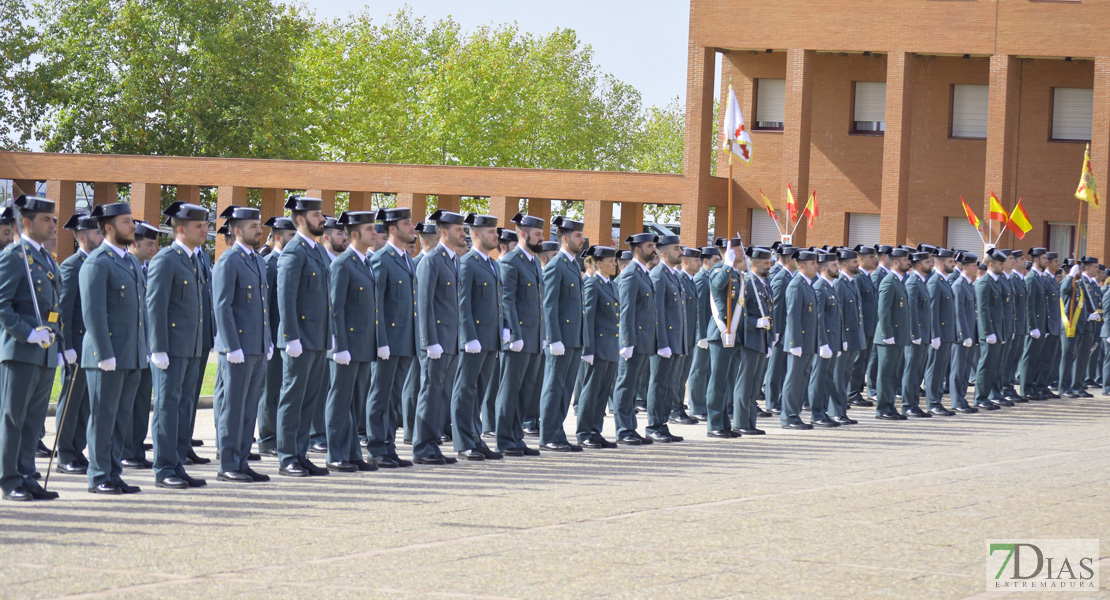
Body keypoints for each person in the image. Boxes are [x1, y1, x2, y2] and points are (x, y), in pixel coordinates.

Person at [82, 201, 147, 494]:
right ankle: (98, 475)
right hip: (106, 356)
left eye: (132, 221)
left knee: (122, 418)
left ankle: (114, 472)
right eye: (126, 222)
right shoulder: (98, 262)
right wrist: (103, 353)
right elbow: (94, 313)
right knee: (104, 416)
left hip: (131, 354)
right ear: (108, 228)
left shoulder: (131, 261)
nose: (133, 226)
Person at [0, 195, 62, 501]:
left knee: (35, 420)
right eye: (46, 220)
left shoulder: (47, 258)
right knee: (14, 418)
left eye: (53, 219)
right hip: (21, 351)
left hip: (46, 351)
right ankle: (9, 478)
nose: (53, 225)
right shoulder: (14, 256)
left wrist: (56, 340)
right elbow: (2, 304)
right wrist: (27, 334)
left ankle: (26, 474)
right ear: (26, 222)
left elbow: (54, 307)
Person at [147, 201, 211, 490]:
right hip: (171, 349)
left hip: (191, 347)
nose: (205, 230)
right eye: (199, 225)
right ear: (181, 229)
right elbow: (155, 307)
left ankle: (177, 463)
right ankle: (163, 468)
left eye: (205, 224)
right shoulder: (166, 259)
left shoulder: (196, 259)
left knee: (183, 407)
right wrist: (157, 347)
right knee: (166, 408)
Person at [211, 205, 273, 482]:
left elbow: (262, 307)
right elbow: (222, 306)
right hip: (237, 348)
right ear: (236, 231)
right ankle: (228, 464)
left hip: (257, 346)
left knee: (249, 409)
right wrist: (230, 345)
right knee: (233, 409)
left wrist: (267, 340)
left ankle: (243, 461)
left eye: (259, 225)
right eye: (253, 226)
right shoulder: (229, 260)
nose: (259, 230)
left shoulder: (258, 260)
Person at [275, 195, 331, 477]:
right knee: (292, 398)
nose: (322, 219)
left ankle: (301, 452)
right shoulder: (293, 251)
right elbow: (285, 297)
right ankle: (287, 457)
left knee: (310, 399)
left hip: (318, 338)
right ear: (300, 219)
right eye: (316, 215)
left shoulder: (319, 251)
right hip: (299, 339)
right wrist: (290, 336)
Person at [320, 210, 381, 473]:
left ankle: (353, 453)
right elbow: (336, 309)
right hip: (347, 345)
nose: (374, 233)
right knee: (339, 400)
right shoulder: (342, 264)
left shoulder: (364, 262)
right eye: (369, 230)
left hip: (364, 344)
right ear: (354, 234)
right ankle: (336, 453)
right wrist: (339, 346)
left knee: (356, 402)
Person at [412, 210, 466, 466]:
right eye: (458, 229)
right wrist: (428, 341)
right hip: (436, 342)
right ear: (443, 232)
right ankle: (422, 446)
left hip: (451, 340)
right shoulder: (432, 260)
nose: (463, 233)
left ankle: (433, 442)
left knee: (442, 394)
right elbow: (424, 305)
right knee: (430, 392)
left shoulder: (453, 260)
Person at [365, 207, 416, 469]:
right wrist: (381, 340)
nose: (412, 228)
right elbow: (377, 306)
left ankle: (389, 446)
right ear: (392, 229)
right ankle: (376, 448)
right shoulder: (381, 259)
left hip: (405, 340)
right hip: (388, 342)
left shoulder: (407, 260)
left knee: (393, 398)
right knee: (380, 396)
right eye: (406, 224)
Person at [451, 213, 504, 460]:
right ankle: (463, 442)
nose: (496, 235)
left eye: (495, 231)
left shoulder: (492, 264)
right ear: (475, 234)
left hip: (489, 339)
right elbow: (462, 304)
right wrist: (468, 336)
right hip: (473, 340)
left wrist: (503, 329)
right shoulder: (467, 263)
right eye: (491, 231)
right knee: (465, 390)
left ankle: (475, 437)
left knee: (479, 392)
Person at [53, 212, 102, 475]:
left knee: (86, 402)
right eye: (97, 233)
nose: (102, 236)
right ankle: (65, 453)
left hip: (92, 346)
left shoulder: (98, 263)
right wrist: (67, 346)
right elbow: (63, 311)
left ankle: (77, 449)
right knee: (71, 401)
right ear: (82, 237)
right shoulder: (72, 266)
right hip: (76, 346)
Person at [495, 212, 545, 457]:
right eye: (537, 234)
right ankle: (504, 439)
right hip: (519, 337)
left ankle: (517, 437)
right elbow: (507, 300)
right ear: (523, 234)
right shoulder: (511, 261)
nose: (541, 238)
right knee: (510, 389)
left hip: (534, 336)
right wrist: (514, 332)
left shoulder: (534, 261)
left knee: (526, 390)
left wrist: (542, 334)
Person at [538, 216, 588, 451]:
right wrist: (553, 338)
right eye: (578, 236)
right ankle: (548, 435)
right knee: (553, 387)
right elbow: (549, 305)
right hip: (561, 339)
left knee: (565, 389)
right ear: (565, 238)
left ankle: (558, 432)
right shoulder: (556, 265)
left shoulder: (572, 265)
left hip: (574, 338)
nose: (582, 239)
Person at [612, 233, 659, 445]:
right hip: (634, 340)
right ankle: (623, 429)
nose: (653, 249)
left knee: (632, 385)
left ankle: (631, 427)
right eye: (649, 246)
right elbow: (626, 310)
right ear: (637, 249)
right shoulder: (631, 274)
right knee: (625, 385)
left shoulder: (643, 272)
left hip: (643, 340)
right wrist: (626, 341)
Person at [121, 221, 160, 469]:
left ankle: (136, 447)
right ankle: (125, 449)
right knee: (128, 402)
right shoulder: (128, 265)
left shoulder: (144, 267)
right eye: (149, 244)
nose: (153, 248)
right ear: (134, 243)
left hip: (146, 345)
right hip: (130, 345)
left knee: (142, 400)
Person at [257, 217, 296, 457]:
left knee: (285, 389)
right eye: (291, 237)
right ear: (278, 237)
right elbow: (266, 307)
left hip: (289, 337)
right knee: (270, 390)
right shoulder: (269, 264)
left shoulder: (292, 261)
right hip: (273, 336)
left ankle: (282, 436)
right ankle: (268, 438)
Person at [576, 245, 620, 448]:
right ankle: (584, 432)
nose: (614, 264)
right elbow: (588, 317)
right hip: (598, 347)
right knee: (591, 391)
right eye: (610, 261)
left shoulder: (611, 285)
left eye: (615, 261)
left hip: (610, 346)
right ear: (599, 264)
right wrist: (588, 349)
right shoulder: (593, 284)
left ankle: (596, 430)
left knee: (602, 393)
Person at [645, 234, 686, 443]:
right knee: (659, 383)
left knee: (669, 385)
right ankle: (653, 425)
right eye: (677, 248)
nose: (681, 252)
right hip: (665, 342)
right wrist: (662, 343)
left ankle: (662, 423)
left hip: (675, 340)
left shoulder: (672, 275)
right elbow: (657, 312)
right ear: (664, 252)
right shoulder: (659, 275)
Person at [704, 238, 744, 438]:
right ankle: (714, 424)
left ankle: (724, 423)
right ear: (727, 252)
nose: (742, 252)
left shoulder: (737, 274)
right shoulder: (719, 270)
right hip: (721, 332)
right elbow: (719, 286)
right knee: (718, 381)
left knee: (728, 382)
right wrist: (727, 263)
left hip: (734, 333)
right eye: (737, 249)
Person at [735, 246, 774, 434]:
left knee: (755, 385)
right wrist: (755, 322)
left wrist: (770, 339)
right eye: (766, 263)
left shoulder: (763, 284)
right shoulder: (748, 283)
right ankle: (741, 423)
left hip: (761, 340)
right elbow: (739, 314)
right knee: (745, 384)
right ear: (754, 264)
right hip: (749, 340)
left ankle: (750, 422)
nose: (769, 267)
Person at [781, 250, 820, 429]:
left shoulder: (808, 284)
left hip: (807, 342)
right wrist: (794, 343)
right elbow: (793, 316)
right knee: (793, 379)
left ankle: (795, 414)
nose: (817, 266)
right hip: (799, 342)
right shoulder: (796, 285)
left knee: (802, 378)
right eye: (813, 263)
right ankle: (788, 416)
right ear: (802, 266)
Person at [874, 247, 911, 420]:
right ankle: (883, 408)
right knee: (886, 374)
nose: (908, 262)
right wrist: (888, 334)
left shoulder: (899, 281)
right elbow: (883, 310)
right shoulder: (889, 281)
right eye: (905, 260)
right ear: (895, 262)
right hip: (888, 337)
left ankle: (890, 405)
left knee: (894, 373)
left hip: (898, 336)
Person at [807, 251, 842, 427]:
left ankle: (823, 411)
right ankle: (816, 413)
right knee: (818, 378)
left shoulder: (830, 286)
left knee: (827, 378)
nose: (838, 268)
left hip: (833, 341)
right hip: (825, 342)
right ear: (823, 268)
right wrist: (822, 343)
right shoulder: (819, 288)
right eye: (834, 265)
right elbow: (818, 319)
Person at [686, 247, 719, 420]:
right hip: (704, 332)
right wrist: (701, 334)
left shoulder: (710, 278)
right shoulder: (701, 279)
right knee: (699, 370)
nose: (718, 263)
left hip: (710, 331)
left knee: (706, 370)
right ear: (706, 262)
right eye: (715, 260)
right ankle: (696, 407)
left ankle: (703, 404)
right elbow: (699, 309)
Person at [763, 244, 796, 414]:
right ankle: (771, 401)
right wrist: (774, 331)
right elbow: (774, 307)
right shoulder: (781, 278)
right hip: (779, 330)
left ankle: (779, 399)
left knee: (782, 367)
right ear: (789, 259)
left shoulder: (789, 276)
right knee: (774, 368)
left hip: (786, 329)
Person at [924, 249, 957, 416]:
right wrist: (934, 334)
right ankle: (933, 403)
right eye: (951, 262)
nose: (954, 265)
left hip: (947, 333)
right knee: (934, 369)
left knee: (940, 369)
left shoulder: (943, 281)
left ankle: (937, 400)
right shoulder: (935, 282)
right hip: (939, 334)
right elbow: (932, 311)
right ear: (942, 263)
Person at [901, 251, 933, 418]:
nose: (932, 264)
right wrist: (915, 333)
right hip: (917, 335)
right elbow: (911, 311)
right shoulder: (913, 283)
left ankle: (914, 403)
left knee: (918, 371)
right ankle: (908, 405)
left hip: (924, 334)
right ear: (919, 265)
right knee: (911, 371)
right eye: (928, 262)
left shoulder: (920, 282)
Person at [975, 250, 1008, 410]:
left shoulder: (996, 282)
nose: (1003, 266)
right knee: (986, 365)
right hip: (989, 332)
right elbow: (983, 310)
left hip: (997, 331)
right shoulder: (984, 283)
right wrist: (988, 332)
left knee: (994, 365)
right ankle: (980, 397)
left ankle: (991, 395)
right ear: (991, 265)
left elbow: (999, 310)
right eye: (1001, 264)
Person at [672, 247, 702, 424]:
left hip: (689, 336)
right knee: (676, 376)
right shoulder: (681, 280)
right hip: (681, 336)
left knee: (683, 376)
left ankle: (678, 407)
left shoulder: (690, 280)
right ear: (685, 262)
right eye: (696, 260)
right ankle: (674, 409)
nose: (699, 263)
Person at [949, 252, 980, 413]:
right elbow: (958, 313)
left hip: (970, 334)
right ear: (965, 267)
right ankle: (956, 401)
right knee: (958, 369)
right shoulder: (959, 285)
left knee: (966, 369)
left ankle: (962, 397)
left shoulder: (969, 285)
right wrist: (963, 335)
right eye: (974, 265)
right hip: (962, 337)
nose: (977, 268)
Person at [849, 245, 878, 408]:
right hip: (861, 327)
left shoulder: (866, 276)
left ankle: (856, 391)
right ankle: (852, 392)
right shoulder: (859, 278)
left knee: (863, 361)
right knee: (857, 362)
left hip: (869, 326)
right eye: (870, 257)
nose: (874, 260)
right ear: (861, 259)